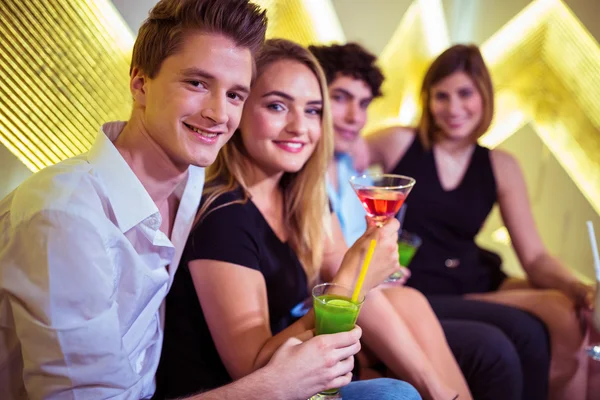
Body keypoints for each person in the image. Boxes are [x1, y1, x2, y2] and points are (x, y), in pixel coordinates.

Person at [0, 1, 418, 399]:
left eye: (235, 94)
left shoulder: (190, 183)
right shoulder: (64, 216)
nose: (219, 114)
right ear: (140, 82)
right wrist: (277, 385)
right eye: (198, 83)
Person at [155, 38, 426, 400]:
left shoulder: (303, 197)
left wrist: (438, 389)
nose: (300, 127)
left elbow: (362, 291)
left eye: (313, 110)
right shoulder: (222, 216)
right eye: (278, 106)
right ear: (240, 110)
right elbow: (254, 372)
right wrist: (351, 283)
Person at [309, 41, 551, 400]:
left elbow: (534, 256)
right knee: (493, 346)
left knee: (538, 324)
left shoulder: (345, 167)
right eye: (340, 98)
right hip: (392, 293)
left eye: (363, 104)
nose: (355, 117)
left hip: (410, 288)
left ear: (484, 95)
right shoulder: (373, 152)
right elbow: (334, 264)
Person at [361, 43, 595, 400]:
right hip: (420, 287)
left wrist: (579, 288)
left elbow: (534, 257)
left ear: (484, 95)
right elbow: (339, 154)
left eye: (465, 93)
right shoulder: (398, 142)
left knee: (568, 311)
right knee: (539, 324)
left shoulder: (501, 165)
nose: (454, 108)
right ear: (428, 99)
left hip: (476, 278)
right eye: (442, 96)